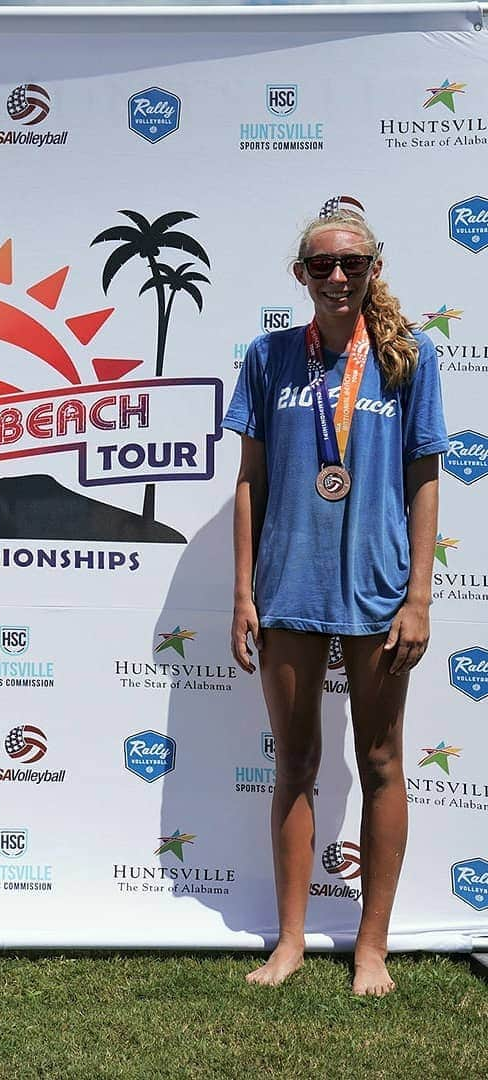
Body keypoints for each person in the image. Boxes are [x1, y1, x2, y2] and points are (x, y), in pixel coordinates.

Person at [223, 209, 447, 996]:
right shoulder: (268, 357)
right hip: (289, 586)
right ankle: (288, 941)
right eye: (322, 266)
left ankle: (372, 949)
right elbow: (248, 480)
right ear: (301, 276)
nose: (338, 277)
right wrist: (243, 592)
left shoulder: (408, 359)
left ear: (374, 267)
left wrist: (418, 595)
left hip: (379, 588)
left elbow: (425, 480)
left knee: (383, 762)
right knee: (295, 762)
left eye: (352, 263)